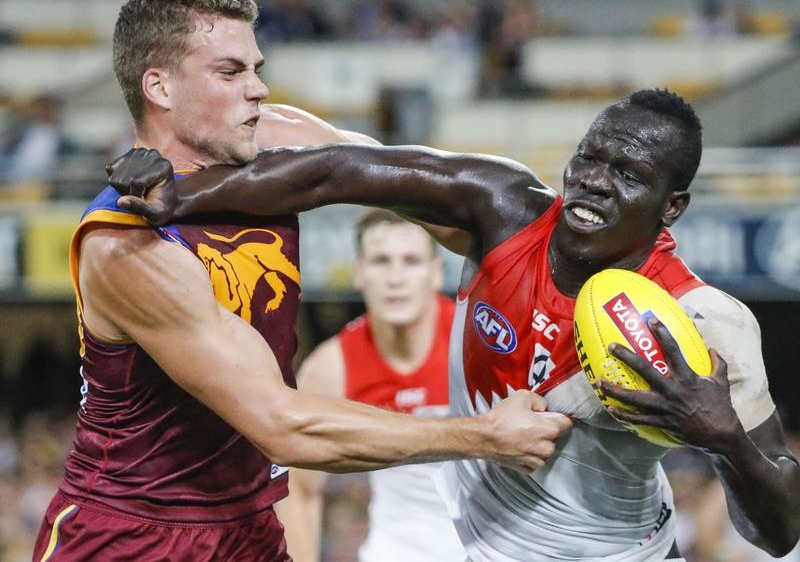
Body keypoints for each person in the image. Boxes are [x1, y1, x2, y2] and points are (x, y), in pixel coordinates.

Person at [110, 86, 800, 562]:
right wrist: (184, 194)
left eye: (627, 174)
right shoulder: (502, 208)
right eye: (590, 156)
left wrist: (725, 442)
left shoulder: (705, 324)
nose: (593, 180)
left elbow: (780, 532)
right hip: (460, 543)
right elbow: (338, 171)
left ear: (672, 206)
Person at [32, 0, 572, 562]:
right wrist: (485, 436)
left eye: (256, 68)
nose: (258, 89)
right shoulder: (124, 243)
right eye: (230, 73)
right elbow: (282, 425)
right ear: (159, 86)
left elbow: (433, 198)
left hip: (249, 525)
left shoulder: (275, 140)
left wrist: (554, 253)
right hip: (134, 534)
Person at [275, 209, 466, 562]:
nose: (396, 278)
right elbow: (299, 490)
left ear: (436, 273)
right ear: (359, 273)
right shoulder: (332, 368)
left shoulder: (472, 346)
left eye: (411, 261)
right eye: (381, 261)